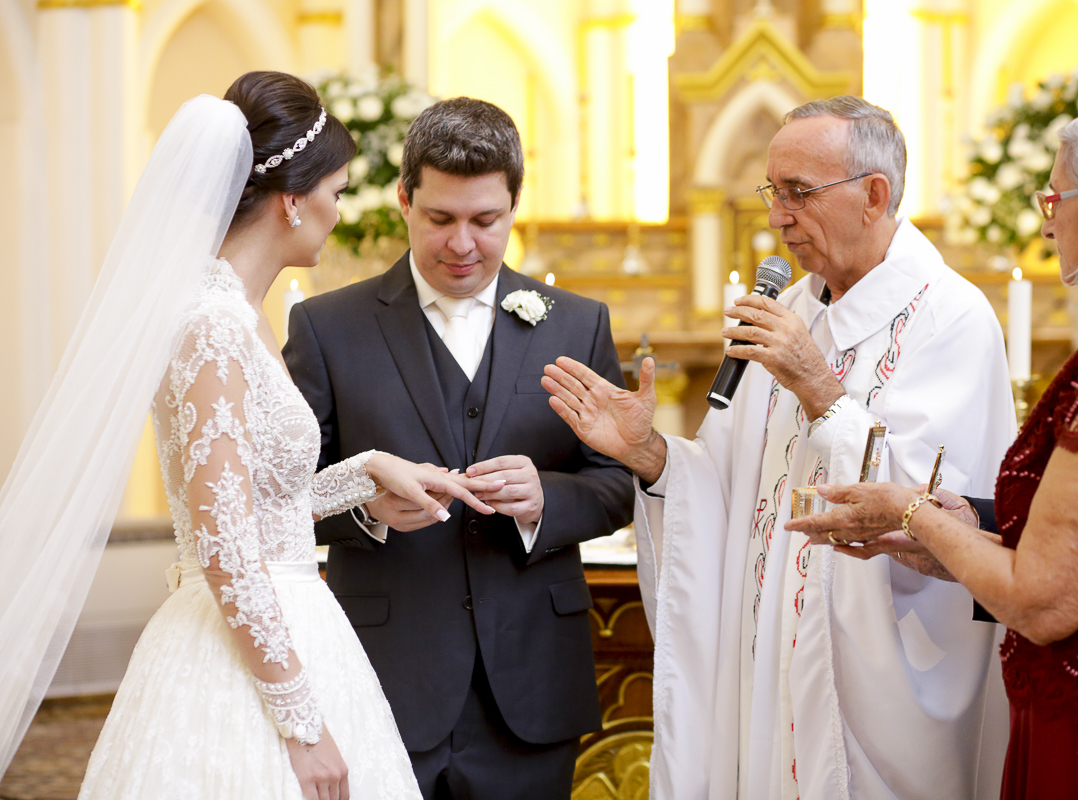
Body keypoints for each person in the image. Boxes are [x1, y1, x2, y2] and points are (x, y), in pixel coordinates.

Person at [0, 72, 506, 800]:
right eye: (334, 189)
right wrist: (302, 723)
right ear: (292, 200)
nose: (338, 210)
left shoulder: (241, 315)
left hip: (296, 618)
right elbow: (226, 543)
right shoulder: (209, 327)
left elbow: (260, 503)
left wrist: (368, 473)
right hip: (244, 650)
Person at [542, 96, 1015, 800]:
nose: (775, 218)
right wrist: (650, 454)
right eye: (773, 192)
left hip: (884, 680)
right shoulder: (791, 311)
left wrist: (819, 386)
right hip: (772, 666)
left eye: (798, 193)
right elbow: (730, 487)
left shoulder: (951, 317)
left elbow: (938, 515)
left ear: (873, 195)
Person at [790, 99, 1078, 799]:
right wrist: (971, 521)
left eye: (1055, 196)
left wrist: (908, 512)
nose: (1046, 221)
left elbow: (1045, 601)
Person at [282, 97, 633, 800]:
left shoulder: (579, 325)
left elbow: (617, 481)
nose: (463, 243)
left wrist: (545, 500)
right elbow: (281, 495)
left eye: (485, 220)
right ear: (406, 200)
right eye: (441, 219)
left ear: (514, 208)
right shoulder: (327, 327)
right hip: (384, 676)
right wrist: (367, 506)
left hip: (532, 686)